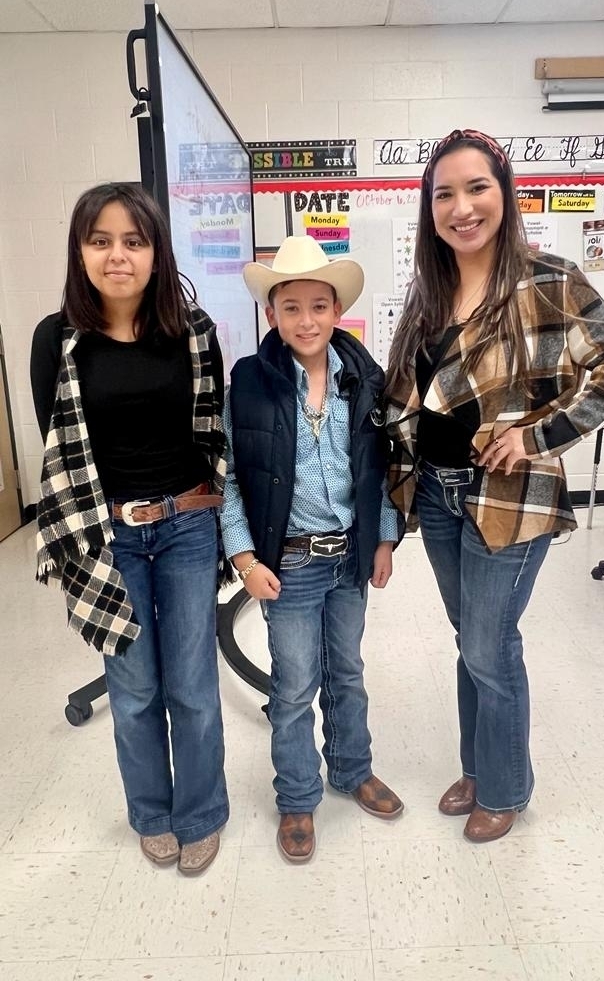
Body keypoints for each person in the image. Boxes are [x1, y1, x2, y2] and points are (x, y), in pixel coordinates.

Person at [385, 128, 604, 843]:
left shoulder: (548, 280)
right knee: (469, 638)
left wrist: (537, 436)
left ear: (504, 193)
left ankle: (505, 788)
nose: (462, 208)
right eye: (444, 194)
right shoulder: (428, 292)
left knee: (489, 642)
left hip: (511, 495)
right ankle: (478, 768)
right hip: (437, 493)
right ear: (429, 209)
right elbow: (407, 396)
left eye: (477, 188)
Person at [30, 183, 229, 874]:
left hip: (186, 525)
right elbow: (60, 448)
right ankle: (151, 813)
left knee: (193, 686)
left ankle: (201, 814)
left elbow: (210, 432)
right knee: (134, 686)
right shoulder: (57, 340)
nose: (118, 256)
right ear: (80, 251)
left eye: (134, 241)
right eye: (101, 240)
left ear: (156, 252)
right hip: (107, 534)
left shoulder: (192, 331)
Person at [221, 235, 403, 863]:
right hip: (289, 563)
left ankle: (352, 769)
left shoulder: (364, 379)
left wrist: (383, 538)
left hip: (348, 557)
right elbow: (230, 477)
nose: (306, 321)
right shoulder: (249, 383)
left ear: (337, 310)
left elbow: (380, 468)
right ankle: (298, 795)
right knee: (295, 685)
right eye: (291, 307)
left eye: (318, 306)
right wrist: (245, 559)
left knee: (347, 672)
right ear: (271, 312)